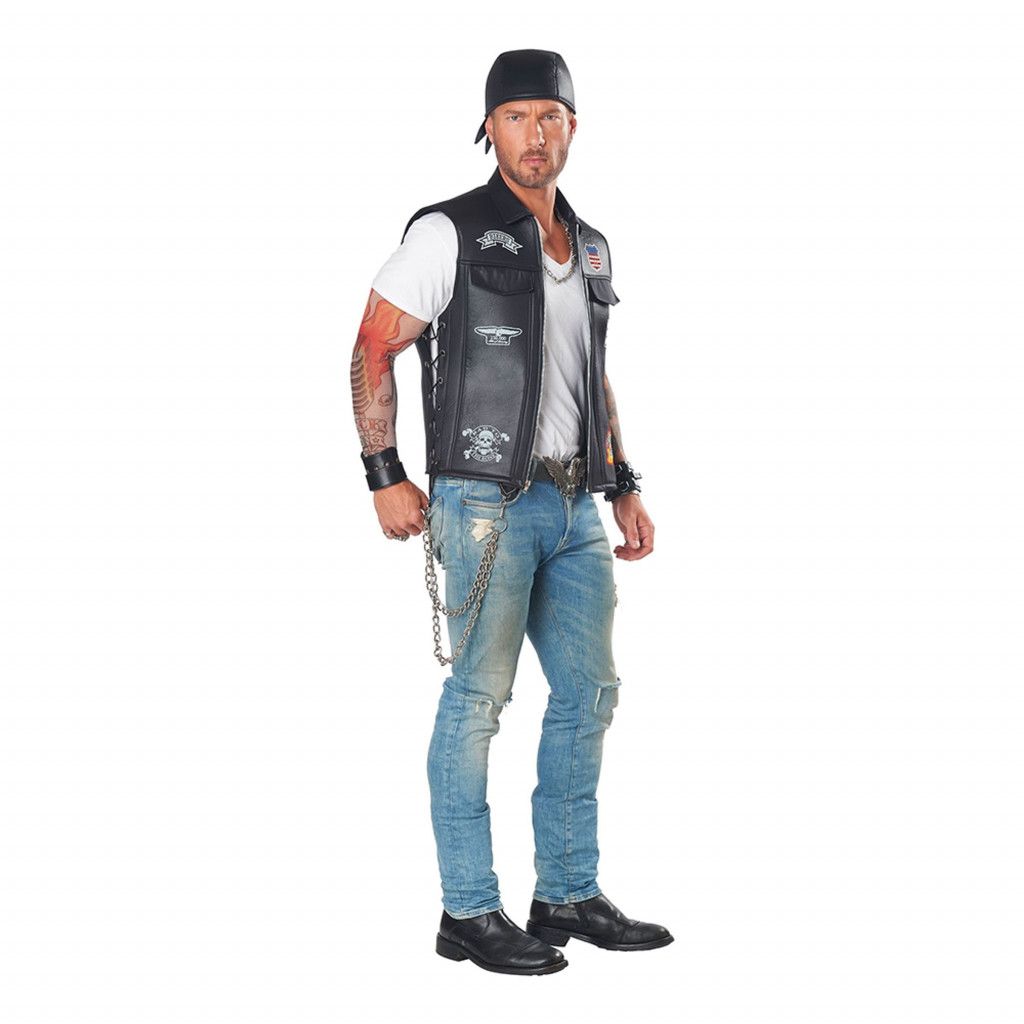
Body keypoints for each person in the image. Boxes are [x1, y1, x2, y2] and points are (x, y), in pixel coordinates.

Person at [351, 49, 672, 975]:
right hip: (483, 501)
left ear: (574, 126)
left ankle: (565, 892)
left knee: (590, 694)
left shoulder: (591, 246)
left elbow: (590, 374)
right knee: (479, 700)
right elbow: (372, 345)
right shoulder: (447, 232)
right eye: (517, 116)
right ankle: (468, 910)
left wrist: (624, 481)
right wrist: (384, 473)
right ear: (489, 128)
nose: (536, 134)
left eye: (551, 116)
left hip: (574, 505)